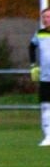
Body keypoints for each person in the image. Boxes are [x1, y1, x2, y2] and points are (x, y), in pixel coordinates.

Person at [32, 8, 50, 146]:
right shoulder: (39, 34)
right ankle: (48, 135)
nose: (46, 19)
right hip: (45, 78)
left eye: (48, 17)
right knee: (45, 106)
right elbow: (31, 47)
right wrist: (33, 65)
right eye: (44, 17)